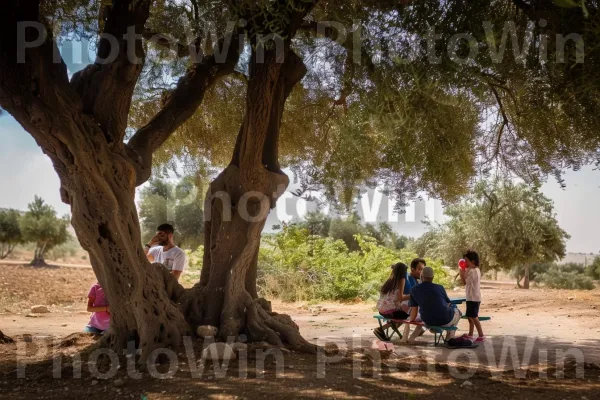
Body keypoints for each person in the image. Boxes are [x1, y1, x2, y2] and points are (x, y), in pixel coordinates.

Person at [408, 266, 462, 341]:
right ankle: (450, 336)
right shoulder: (439, 287)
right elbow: (448, 303)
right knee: (458, 311)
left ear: (421, 276)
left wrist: (412, 320)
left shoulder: (413, 290)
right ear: (433, 277)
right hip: (445, 320)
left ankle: (441, 332)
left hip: (428, 321)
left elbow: (414, 311)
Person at [374, 262, 410, 341]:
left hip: (381, 310)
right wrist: (412, 296)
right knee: (409, 316)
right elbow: (401, 298)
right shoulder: (402, 279)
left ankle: (392, 326)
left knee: (402, 314)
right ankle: (381, 329)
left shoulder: (390, 279)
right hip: (391, 311)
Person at [460, 250, 485, 342]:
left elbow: (464, 282)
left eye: (466, 260)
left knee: (474, 316)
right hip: (472, 297)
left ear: (473, 261)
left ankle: (481, 335)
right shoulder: (474, 270)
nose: (465, 262)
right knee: (470, 317)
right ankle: (470, 334)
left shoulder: (473, 271)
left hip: (473, 298)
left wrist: (461, 273)